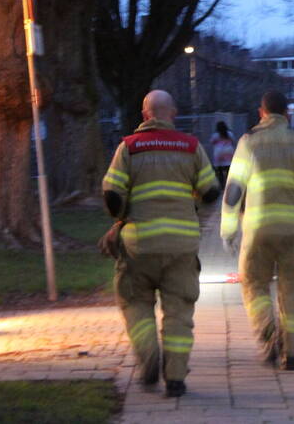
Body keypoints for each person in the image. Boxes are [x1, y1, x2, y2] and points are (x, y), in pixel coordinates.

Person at [101, 90, 219, 398]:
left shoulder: (128, 147)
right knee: (179, 311)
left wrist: (120, 218)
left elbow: (112, 193)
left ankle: (149, 355)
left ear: (144, 115)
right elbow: (209, 192)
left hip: (138, 245)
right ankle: (176, 378)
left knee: (135, 302)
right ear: (173, 113)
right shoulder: (191, 147)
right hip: (181, 245)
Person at [220, 90, 294, 371]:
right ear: (288, 114)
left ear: (262, 113)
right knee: (292, 289)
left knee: (253, 283)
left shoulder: (249, 142)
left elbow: (233, 190)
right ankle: (291, 354)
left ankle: (268, 333)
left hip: (258, 228)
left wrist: (228, 230)